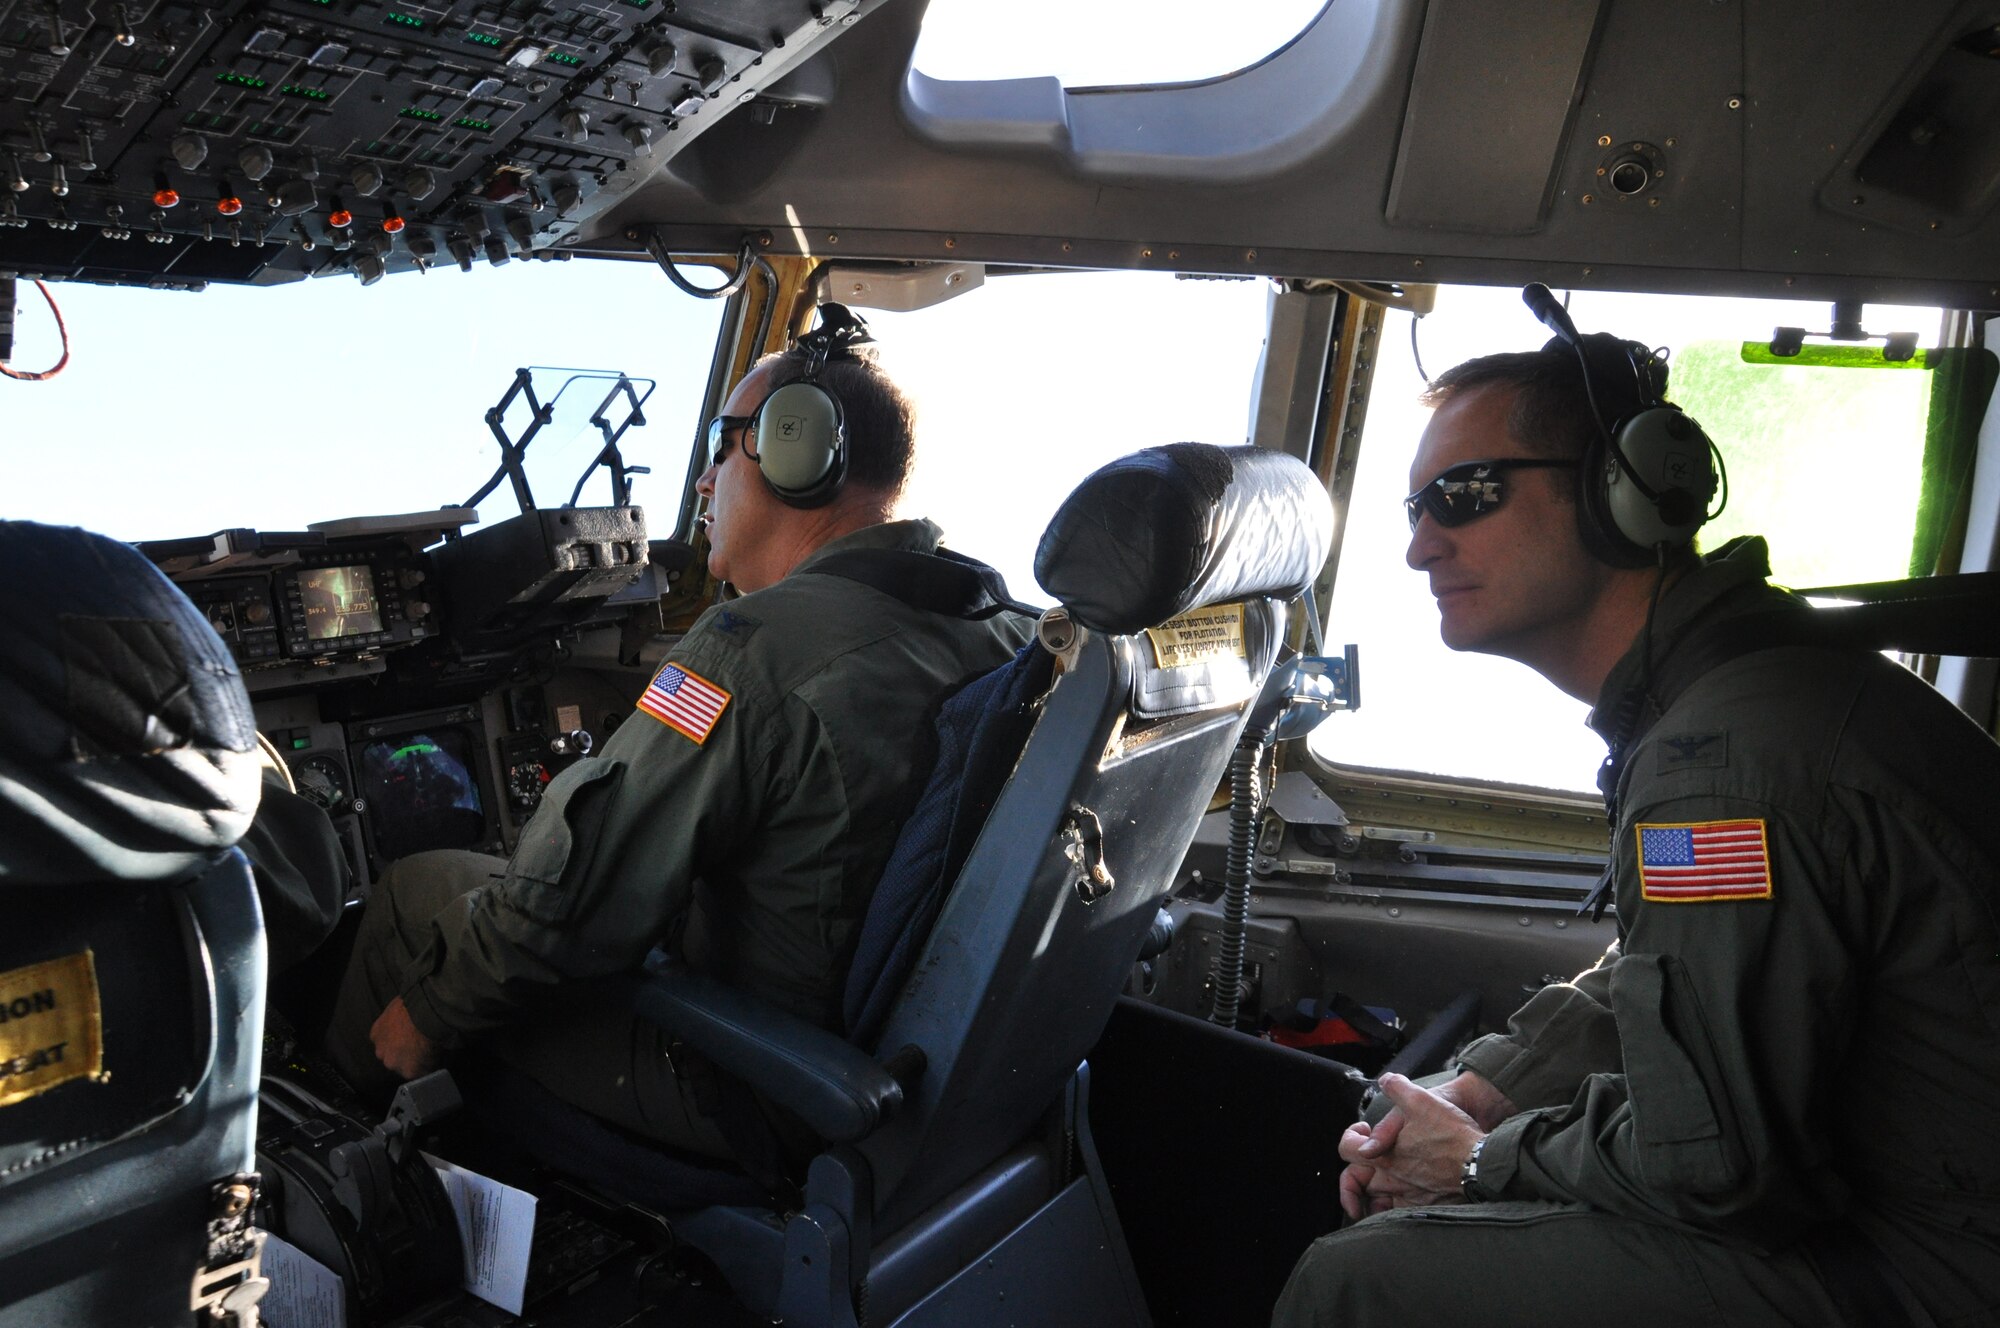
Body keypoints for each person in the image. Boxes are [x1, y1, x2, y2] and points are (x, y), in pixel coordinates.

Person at [1273, 310, 2000, 1327]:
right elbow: (1679, 975)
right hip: (1920, 1215)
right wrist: (1492, 1084)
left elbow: (1722, 1164)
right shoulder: (1731, 702)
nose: (1415, 545)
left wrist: (1480, 1156)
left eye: (1461, 494)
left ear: (1621, 495)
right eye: (1413, 504)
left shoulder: (1720, 765)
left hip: (1940, 1268)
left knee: (1358, 1280)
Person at [326, 308, 1034, 1160]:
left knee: (415, 892)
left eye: (721, 445)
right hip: (907, 1063)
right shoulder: (1008, 635)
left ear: (797, 451)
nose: (702, 484)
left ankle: (321, 1163)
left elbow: (574, 899)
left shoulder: (750, 651)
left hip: (744, 1079)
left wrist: (427, 1013)